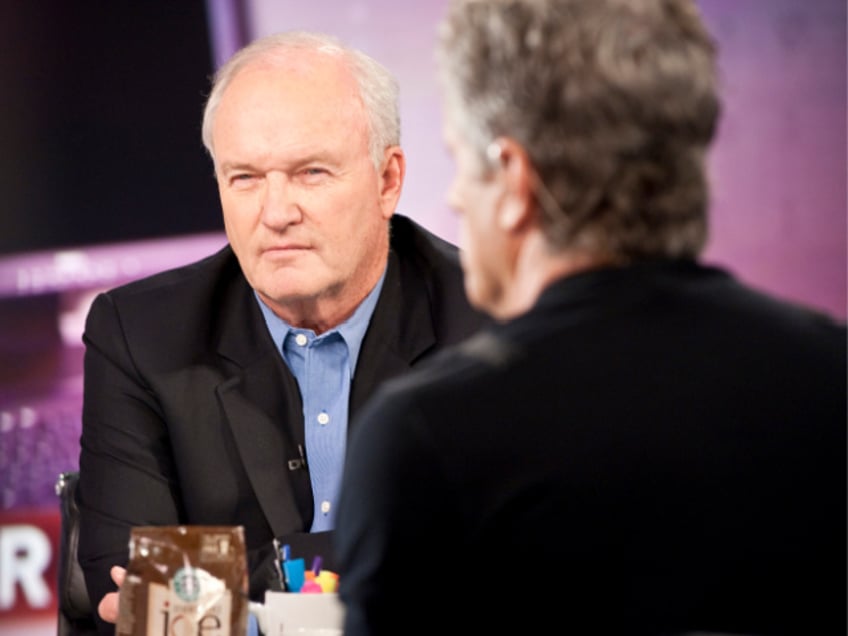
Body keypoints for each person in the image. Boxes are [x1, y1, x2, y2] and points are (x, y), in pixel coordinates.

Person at [333, 1, 847, 634]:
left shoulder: (424, 434)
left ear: (514, 178)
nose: (455, 197)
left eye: (460, 161)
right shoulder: (833, 371)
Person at [75, 30, 485, 632]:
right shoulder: (139, 335)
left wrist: (243, 598)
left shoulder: (488, 320)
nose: (275, 212)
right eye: (244, 178)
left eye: (310, 172)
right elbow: (129, 589)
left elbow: (518, 572)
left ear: (388, 180)